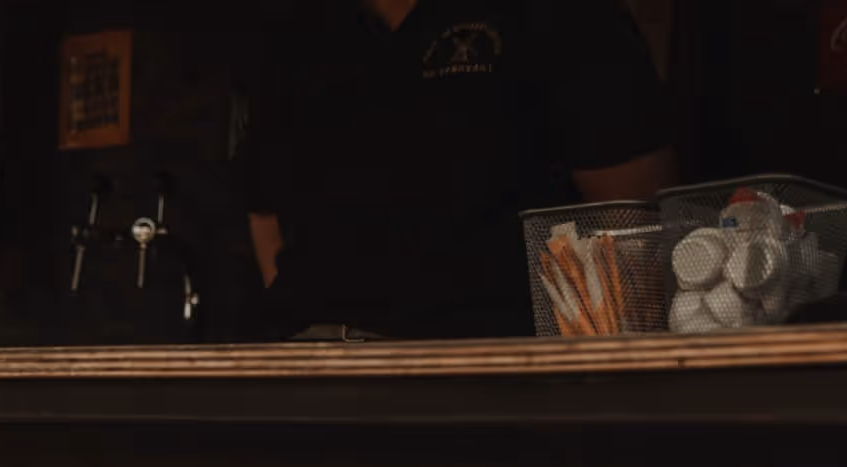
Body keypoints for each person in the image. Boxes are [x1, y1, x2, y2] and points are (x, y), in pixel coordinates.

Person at [245, 0, 678, 339]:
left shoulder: (556, 14)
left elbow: (634, 222)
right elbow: (264, 210)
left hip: (492, 380)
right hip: (307, 370)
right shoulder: (292, 30)